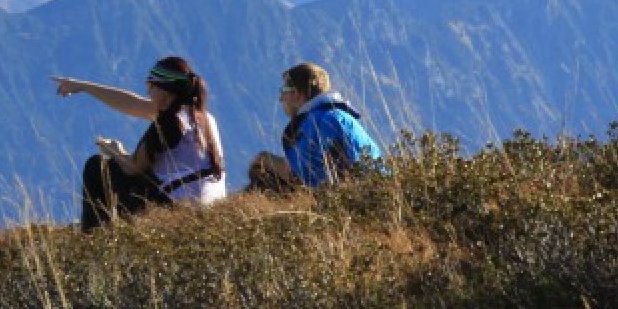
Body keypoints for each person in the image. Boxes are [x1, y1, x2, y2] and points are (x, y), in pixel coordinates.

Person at [53, 56, 227, 230]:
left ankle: (93, 235)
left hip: (176, 209)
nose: (147, 90)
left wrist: (115, 151)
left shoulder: (169, 123)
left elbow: (133, 168)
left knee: (97, 168)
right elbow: (132, 103)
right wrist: (83, 86)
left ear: (164, 91)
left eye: (150, 84)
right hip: (212, 206)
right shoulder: (203, 118)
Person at [249, 62, 382, 191]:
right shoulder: (333, 115)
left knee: (263, 162)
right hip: (370, 188)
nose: (281, 98)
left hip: (350, 195)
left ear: (296, 93)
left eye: (283, 90)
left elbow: (316, 176)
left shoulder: (323, 121)